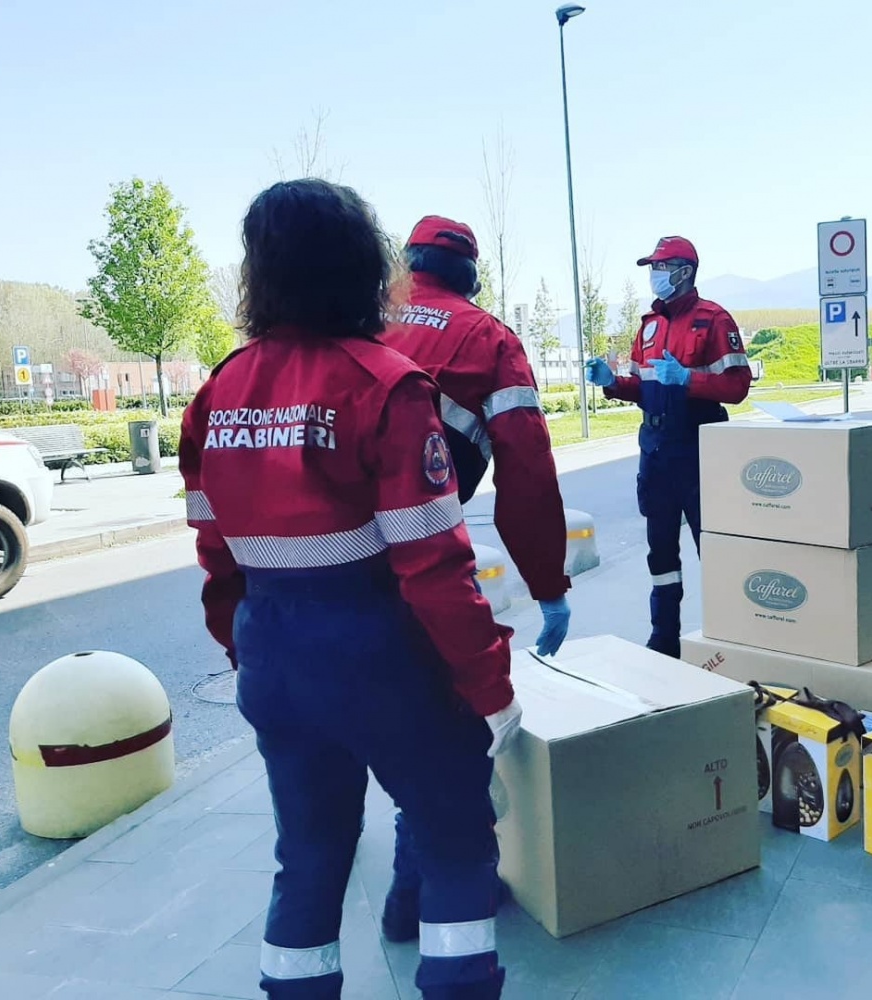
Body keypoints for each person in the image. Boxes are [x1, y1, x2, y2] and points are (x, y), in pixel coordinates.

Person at [179, 179, 517, 1000]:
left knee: (310, 854)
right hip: (383, 657)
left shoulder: (217, 394)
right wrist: (491, 687)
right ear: (365, 267)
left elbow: (215, 554)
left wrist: (245, 649)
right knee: (454, 844)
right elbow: (434, 565)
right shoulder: (387, 385)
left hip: (274, 658)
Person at [379, 215, 571, 942]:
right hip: (419, 549)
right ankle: (419, 890)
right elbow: (528, 478)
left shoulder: (361, 316)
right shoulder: (487, 339)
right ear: (471, 276)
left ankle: (409, 874)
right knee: (443, 722)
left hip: (320, 565)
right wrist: (548, 586)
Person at [585, 236, 751, 658]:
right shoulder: (649, 326)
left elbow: (737, 386)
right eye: (652, 268)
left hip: (699, 447)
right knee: (660, 549)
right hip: (655, 449)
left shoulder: (713, 320)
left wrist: (690, 381)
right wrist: (612, 383)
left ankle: (729, 636)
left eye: (661, 267)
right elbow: (643, 389)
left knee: (711, 547)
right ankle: (664, 638)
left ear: (685, 271)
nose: (654, 276)